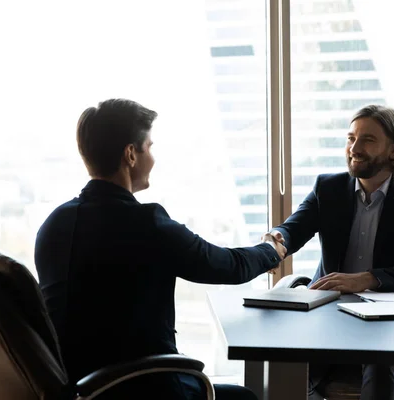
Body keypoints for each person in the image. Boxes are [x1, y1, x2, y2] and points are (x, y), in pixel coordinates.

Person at [35, 98, 286, 399]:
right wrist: (271, 250)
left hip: (81, 388)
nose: (152, 158)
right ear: (130, 154)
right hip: (145, 387)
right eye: (150, 147)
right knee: (244, 397)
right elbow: (227, 265)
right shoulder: (146, 224)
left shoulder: (53, 225)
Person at [266, 105, 394, 400]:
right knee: (284, 363)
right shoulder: (328, 188)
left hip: (388, 321)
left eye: (367, 140)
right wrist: (277, 238)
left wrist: (368, 279)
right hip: (328, 314)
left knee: (381, 363)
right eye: (350, 138)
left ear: (393, 151)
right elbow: (293, 230)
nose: (354, 148)